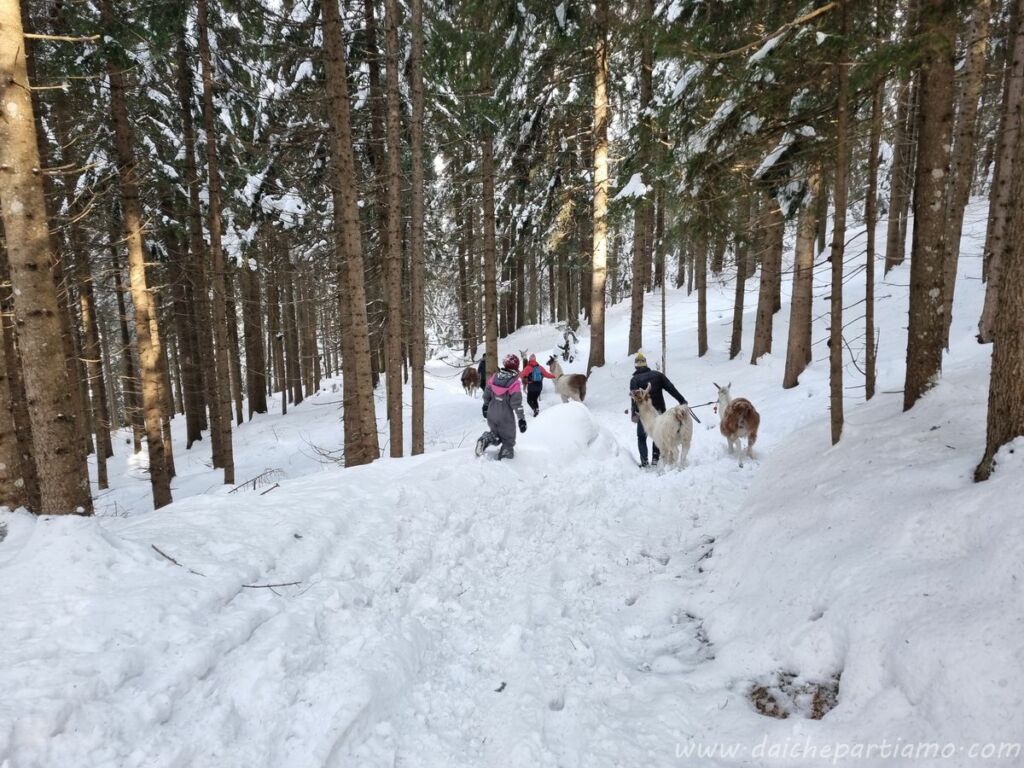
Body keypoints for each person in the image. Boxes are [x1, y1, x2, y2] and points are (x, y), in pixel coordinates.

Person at [629, 352, 687, 468]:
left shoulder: (634, 380)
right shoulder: (657, 375)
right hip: (660, 412)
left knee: (641, 436)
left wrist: (634, 413)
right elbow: (671, 388)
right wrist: (682, 400)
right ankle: (656, 459)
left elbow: (635, 399)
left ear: (636, 366)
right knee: (659, 434)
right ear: (646, 364)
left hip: (645, 414)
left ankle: (645, 462)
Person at [476, 354, 528, 460]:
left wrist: (485, 405)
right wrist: (521, 419)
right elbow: (516, 403)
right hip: (505, 416)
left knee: (495, 433)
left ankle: (485, 439)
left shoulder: (494, 377)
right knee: (508, 438)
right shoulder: (514, 383)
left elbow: (487, 391)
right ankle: (506, 454)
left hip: (492, 412)